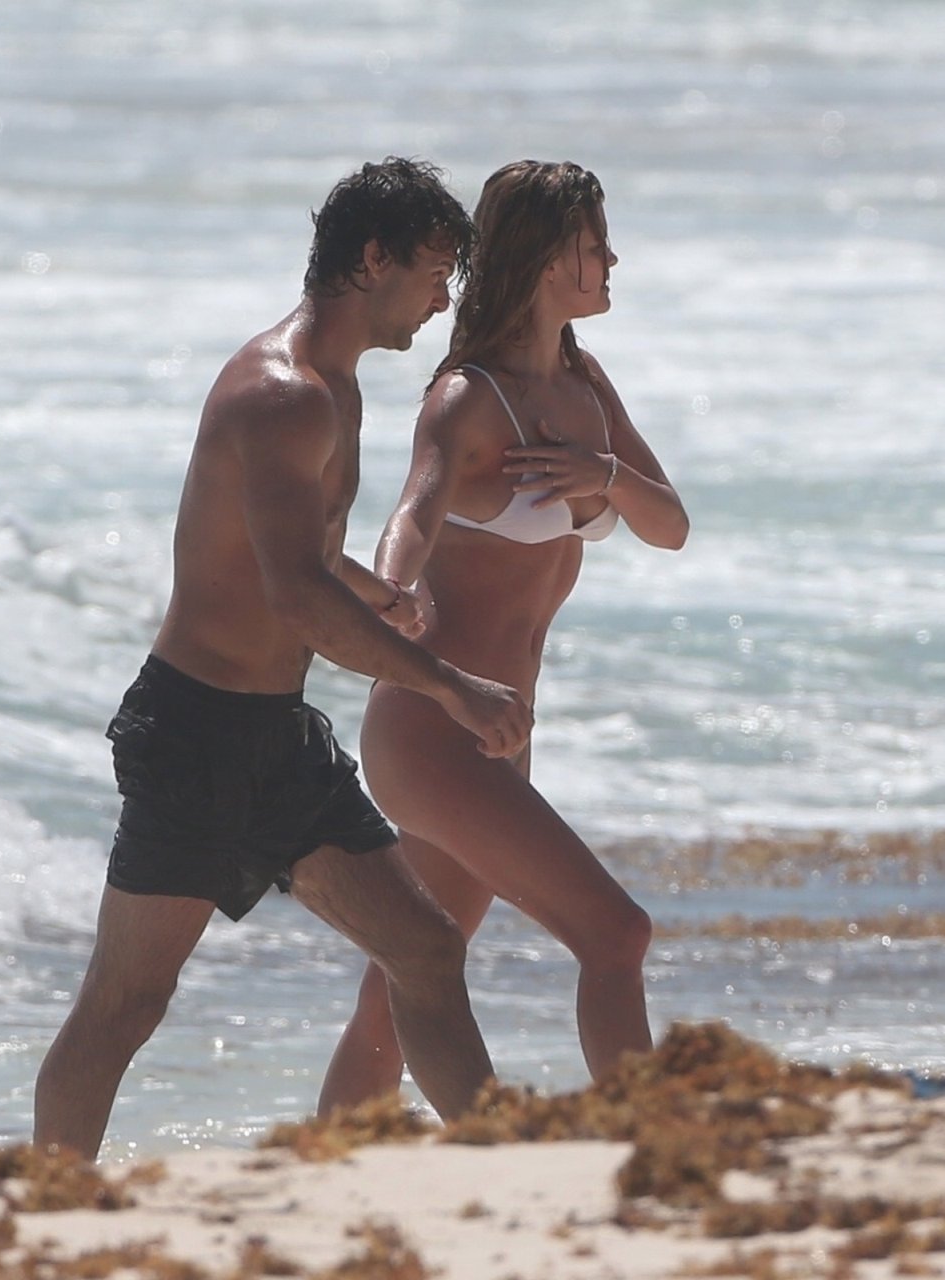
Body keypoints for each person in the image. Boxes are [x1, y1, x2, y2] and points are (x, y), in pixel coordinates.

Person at [34, 158, 534, 1160]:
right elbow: (293, 597)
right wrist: (449, 688)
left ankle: (507, 1164)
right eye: (433, 273)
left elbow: (300, 555)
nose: (443, 301)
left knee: (425, 947)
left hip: (277, 737)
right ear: (374, 259)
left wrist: (376, 591)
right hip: (196, 736)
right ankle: (43, 1203)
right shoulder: (282, 393)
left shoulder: (335, 390)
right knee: (125, 1003)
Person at [318, 160, 690, 1113]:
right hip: (433, 727)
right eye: (596, 243)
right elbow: (413, 512)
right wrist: (391, 592)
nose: (613, 260)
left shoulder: (583, 384)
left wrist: (603, 474)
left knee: (404, 984)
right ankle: (647, 1141)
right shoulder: (468, 396)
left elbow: (671, 525)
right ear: (547, 257)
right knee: (616, 934)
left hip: (500, 736)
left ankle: (329, 1159)